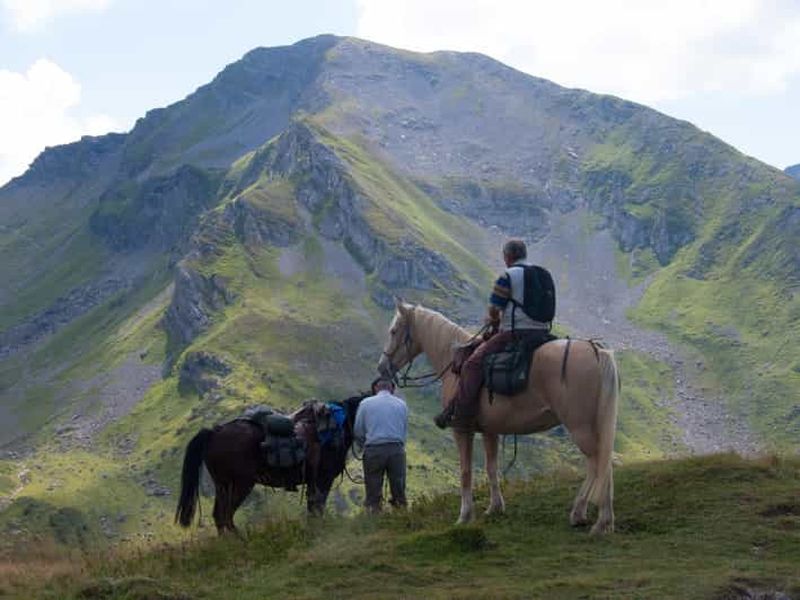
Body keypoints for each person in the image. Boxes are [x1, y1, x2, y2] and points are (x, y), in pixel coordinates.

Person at [435, 239, 555, 430]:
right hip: (543, 332)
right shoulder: (543, 273)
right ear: (524, 254)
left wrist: (493, 321)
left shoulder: (508, 276)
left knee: (472, 364)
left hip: (516, 333)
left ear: (507, 257)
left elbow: (494, 308)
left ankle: (462, 416)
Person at [353, 377, 409, 512]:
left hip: (374, 450)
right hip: (396, 449)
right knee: (398, 487)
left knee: (373, 489)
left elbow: (358, 430)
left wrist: (363, 445)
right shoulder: (401, 404)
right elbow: (404, 430)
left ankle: (373, 520)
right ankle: (401, 518)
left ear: (375, 388)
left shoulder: (365, 403)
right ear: (392, 388)